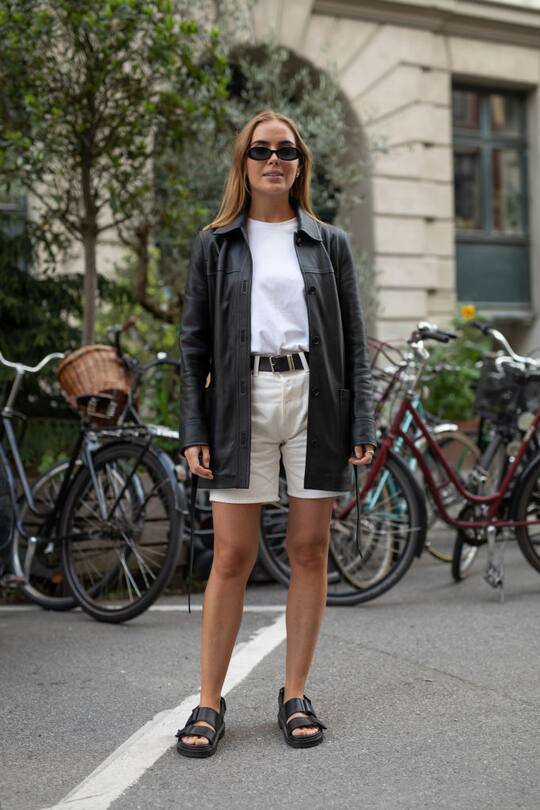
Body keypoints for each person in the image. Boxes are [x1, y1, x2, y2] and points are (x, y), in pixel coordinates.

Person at [176, 109, 376, 757]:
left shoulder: (328, 242)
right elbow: (192, 346)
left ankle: (294, 693)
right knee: (231, 555)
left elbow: (354, 342)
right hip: (240, 399)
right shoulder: (215, 243)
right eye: (261, 149)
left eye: (286, 150)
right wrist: (192, 426)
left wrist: (362, 419)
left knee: (310, 547)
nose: (273, 159)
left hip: (316, 397)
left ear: (300, 163)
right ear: (244, 162)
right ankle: (209, 701)